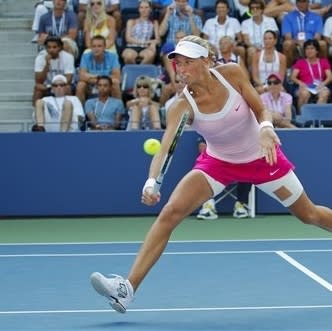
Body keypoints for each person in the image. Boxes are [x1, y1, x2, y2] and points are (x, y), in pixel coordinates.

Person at [90, 35, 332, 313]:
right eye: (177, 63)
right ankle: (127, 288)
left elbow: (260, 107)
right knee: (170, 213)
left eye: (187, 62)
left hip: (263, 156)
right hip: (217, 163)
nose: (180, 69)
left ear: (205, 61)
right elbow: (165, 148)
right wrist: (151, 181)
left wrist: (266, 128)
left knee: (309, 215)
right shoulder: (182, 105)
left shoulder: (232, 73)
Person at [196, 136, 253, 220]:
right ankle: (208, 205)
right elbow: (202, 147)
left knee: (248, 166)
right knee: (202, 166)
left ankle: (241, 205)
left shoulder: (241, 128)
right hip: (216, 162)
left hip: (238, 162)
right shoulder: (211, 126)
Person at [76, 35, 121, 104]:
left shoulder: (113, 56)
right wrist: (101, 78)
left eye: (99, 46)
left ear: (104, 47)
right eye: (94, 46)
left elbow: (116, 76)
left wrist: (94, 76)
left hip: (107, 85)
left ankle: (118, 110)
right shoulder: (85, 56)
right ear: (91, 47)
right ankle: (80, 112)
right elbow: (82, 76)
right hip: (90, 85)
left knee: (115, 83)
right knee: (80, 85)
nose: (96, 49)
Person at [290, 39, 331, 113]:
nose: (309, 51)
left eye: (312, 48)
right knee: (304, 93)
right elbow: (293, 77)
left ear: (317, 51)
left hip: (319, 85)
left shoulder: (323, 61)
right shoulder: (300, 62)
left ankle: (317, 117)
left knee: (324, 93)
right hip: (305, 86)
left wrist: (323, 84)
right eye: (307, 49)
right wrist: (300, 83)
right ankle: (303, 116)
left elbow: (329, 77)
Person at [281, 0, 326, 68]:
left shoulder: (316, 17)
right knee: (287, 44)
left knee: (322, 44)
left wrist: (307, 43)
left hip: (311, 42)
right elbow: (288, 37)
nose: (301, 4)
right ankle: (289, 70)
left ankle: (323, 69)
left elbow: (317, 37)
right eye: (299, 2)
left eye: (303, 1)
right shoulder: (288, 17)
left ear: (308, 3)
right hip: (295, 43)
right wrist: (298, 42)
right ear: (296, 3)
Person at [33, 35, 75, 106]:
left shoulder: (68, 57)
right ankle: (37, 113)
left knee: (68, 88)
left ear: (60, 48)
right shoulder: (40, 58)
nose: (51, 50)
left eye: (54, 47)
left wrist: (56, 86)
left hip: (62, 85)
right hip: (47, 87)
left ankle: (70, 112)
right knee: (37, 88)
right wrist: (47, 65)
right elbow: (38, 80)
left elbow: (68, 79)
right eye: (49, 47)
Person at [121, 0, 160, 65]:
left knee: (150, 55)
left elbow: (158, 40)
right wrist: (146, 42)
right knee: (129, 56)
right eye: (141, 7)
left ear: (150, 9)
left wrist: (153, 44)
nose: (143, 10)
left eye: (146, 7)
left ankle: (141, 72)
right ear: (138, 9)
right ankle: (135, 73)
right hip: (131, 46)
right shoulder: (131, 21)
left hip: (146, 48)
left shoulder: (154, 22)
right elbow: (128, 39)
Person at [251, 30, 287, 94]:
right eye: (265, 39)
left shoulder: (282, 57)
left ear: (275, 41)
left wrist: (272, 86)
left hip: (276, 84)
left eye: (270, 38)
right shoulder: (256, 56)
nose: (267, 41)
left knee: (281, 91)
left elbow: (281, 77)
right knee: (259, 90)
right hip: (261, 85)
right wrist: (264, 86)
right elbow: (255, 77)